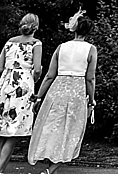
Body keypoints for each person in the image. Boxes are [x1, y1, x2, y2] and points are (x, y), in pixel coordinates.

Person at [27, 11, 97, 174]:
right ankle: (51, 170)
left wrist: (38, 96)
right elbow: (90, 78)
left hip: (58, 89)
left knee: (53, 126)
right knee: (71, 130)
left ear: (74, 29)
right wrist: (91, 99)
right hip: (76, 91)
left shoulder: (62, 47)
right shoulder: (91, 50)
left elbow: (50, 75)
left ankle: (50, 167)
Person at [0, 13, 43, 174]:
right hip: (22, 83)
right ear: (36, 27)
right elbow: (37, 69)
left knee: (4, 128)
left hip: (5, 82)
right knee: (14, 129)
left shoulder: (10, 42)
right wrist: (35, 78)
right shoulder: (36, 44)